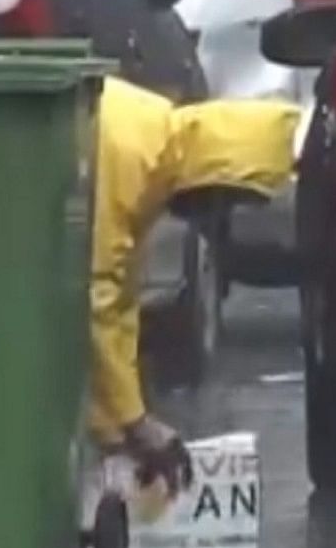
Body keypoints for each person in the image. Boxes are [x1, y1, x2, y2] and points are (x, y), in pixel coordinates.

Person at [89, 76, 298, 486]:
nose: (213, 214)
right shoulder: (134, 156)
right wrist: (135, 423)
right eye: (223, 199)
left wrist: (117, 430)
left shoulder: (156, 149)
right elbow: (98, 298)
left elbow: (120, 302)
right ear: (214, 171)